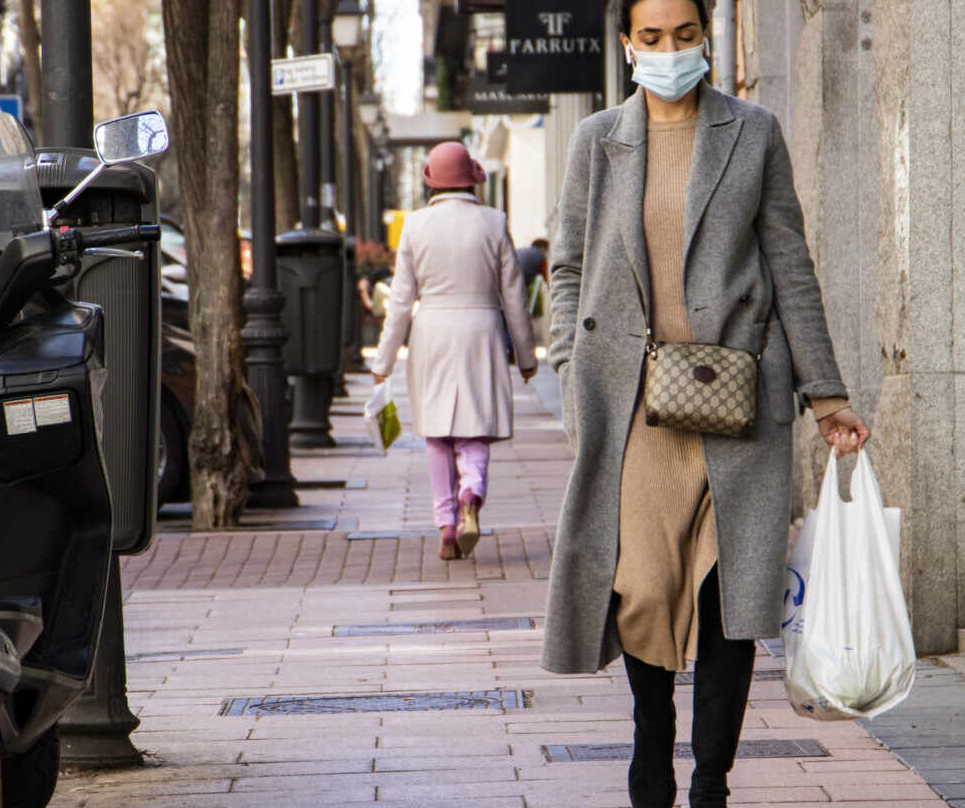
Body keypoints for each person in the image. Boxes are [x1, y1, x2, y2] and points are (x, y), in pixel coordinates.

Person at [539, 1, 871, 806]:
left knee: (730, 591)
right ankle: (653, 739)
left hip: (736, 400)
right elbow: (569, 266)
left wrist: (824, 394)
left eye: (684, 36)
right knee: (646, 586)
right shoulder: (596, 142)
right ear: (627, 45)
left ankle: (712, 780)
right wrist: (566, 372)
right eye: (651, 39)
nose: (670, 52)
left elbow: (791, 265)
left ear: (704, 40)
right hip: (634, 410)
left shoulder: (751, 133)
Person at [371, 141, 538, 561]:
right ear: (471, 179)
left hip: (432, 335)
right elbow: (514, 296)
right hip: (482, 331)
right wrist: (526, 356)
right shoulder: (494, 222)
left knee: (437, 433)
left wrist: (383, 361)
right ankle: (472, 492)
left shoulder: (415, 226)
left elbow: (401, 300)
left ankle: (446, 523)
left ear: (432, 183)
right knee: (473, 427)